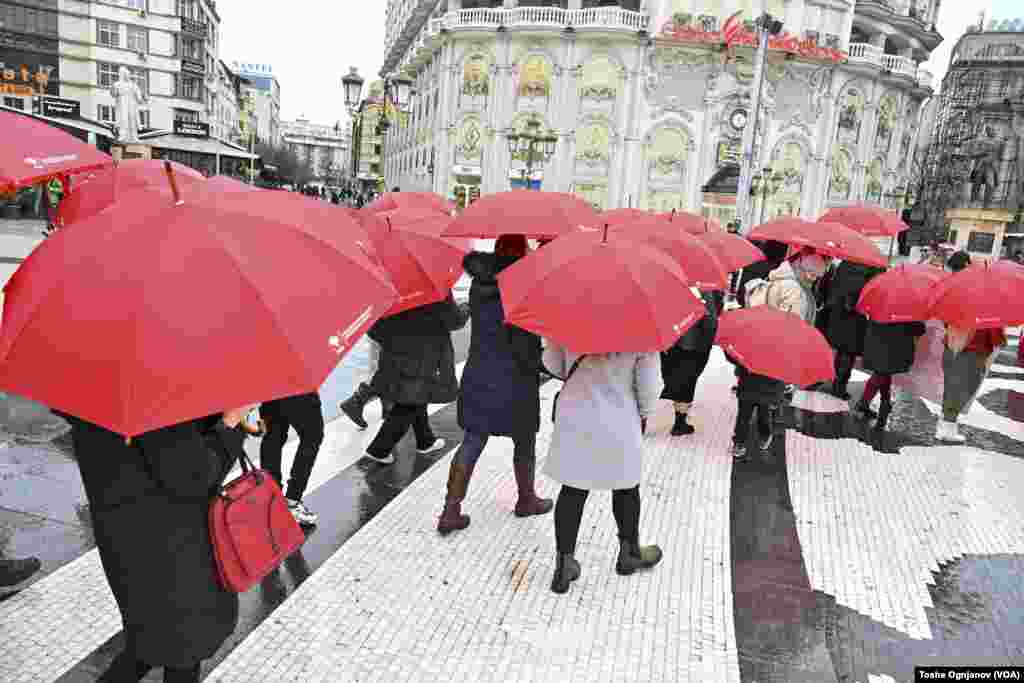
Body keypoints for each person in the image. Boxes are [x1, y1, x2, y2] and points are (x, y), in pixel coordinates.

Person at [64, 410, 246, 683]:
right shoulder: (159, 403)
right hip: (175, 552)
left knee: (148, 641)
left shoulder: (89, 396)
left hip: (127, 543)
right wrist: (231, 424)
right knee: (184, 648)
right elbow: (195, 475)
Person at [437, 236, 552, 534]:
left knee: (473, 439)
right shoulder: (525, 287)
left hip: (480, 372)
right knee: (524, 439)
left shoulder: (480, 282)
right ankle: (526, 499)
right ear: (519, 253)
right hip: (517, 376)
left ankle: (451, 510)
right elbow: (528, 335)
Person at [543, 347, 664, 595]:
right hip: (619, 416)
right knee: (626, 486)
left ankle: (564, 565)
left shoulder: (569, 314)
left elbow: (553, 362)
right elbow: (649, 386)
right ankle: (629, 554)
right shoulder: (642, 327)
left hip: (575, 413)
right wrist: (644, 413)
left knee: (573, 488)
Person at [364, 292, 469, 464]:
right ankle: (379, 449)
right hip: (425, 354)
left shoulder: (387, 287)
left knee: (416, 394)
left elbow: (374, 328)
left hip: (394, 352)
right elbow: (454, 320)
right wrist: (466, 308)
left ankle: (425, 440)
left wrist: (394, 339)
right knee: (409, 402)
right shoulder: (434, 287)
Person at [937, 251, 1007, 443]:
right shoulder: (985, 296)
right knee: (963, 387)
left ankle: (946, 423)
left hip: (952, 345)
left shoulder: (953, 289)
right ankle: (947, 427)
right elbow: (993, 328)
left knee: (952, 386)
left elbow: (946, 320)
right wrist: (999, 339)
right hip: (972, 350)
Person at [258, 392, 325, 526]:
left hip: (268, 385)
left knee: (272, 438)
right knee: (312, 435)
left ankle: (272, 499)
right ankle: (292, 501)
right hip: (297, 384)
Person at [660, 286, 719, 435]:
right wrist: (709, 342)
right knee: (687, 381)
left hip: (671, 340)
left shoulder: (666, 282)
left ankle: (649, 418)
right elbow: (709, 319)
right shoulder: (704, 287)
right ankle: (679, 422)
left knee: (675, 377)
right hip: (694, 343)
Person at [854, 316, 927, 429]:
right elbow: (918, 329)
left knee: (884, 372)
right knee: (881, 373)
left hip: (876, 340)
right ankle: (863, 403)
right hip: (893, 346)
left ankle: (884, 402)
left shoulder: (881, 301)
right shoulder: (908, 310)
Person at [823, 260, 882, 400]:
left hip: (838, 315)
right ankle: (839, 386)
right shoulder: (867, 272)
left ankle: (837, 382)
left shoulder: (844, 265)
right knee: (848, 354)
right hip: (854, 319)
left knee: (841, 351)